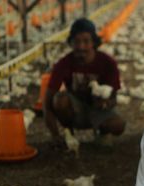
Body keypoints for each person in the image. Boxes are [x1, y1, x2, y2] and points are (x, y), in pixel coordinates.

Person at [43, 18, 126, 146]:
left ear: (93, 42)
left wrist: (106, 103)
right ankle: (68, 132)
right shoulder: (63, 64)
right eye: (77, 41)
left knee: (118, 125)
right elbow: (47, 104)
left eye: (86, 41)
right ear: (71, 43)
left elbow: (113, 97)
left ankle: (101, 132)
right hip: (76, 110)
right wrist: (55, 134)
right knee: (59, 100)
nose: (81, 46)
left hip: (98, 110)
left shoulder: (108, 63)